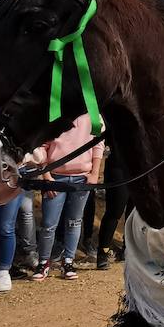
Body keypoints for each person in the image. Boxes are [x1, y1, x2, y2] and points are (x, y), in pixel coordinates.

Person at [27, 115, 106, 278]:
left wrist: (95, 173)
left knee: (74, 221)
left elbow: (98, 142)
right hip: (55, 176)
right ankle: (43, 262)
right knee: (49, 223)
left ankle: (68, 261)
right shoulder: (55, 111)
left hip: (82, 177)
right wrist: (46, 175)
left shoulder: (92, 111)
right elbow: (41, 144)